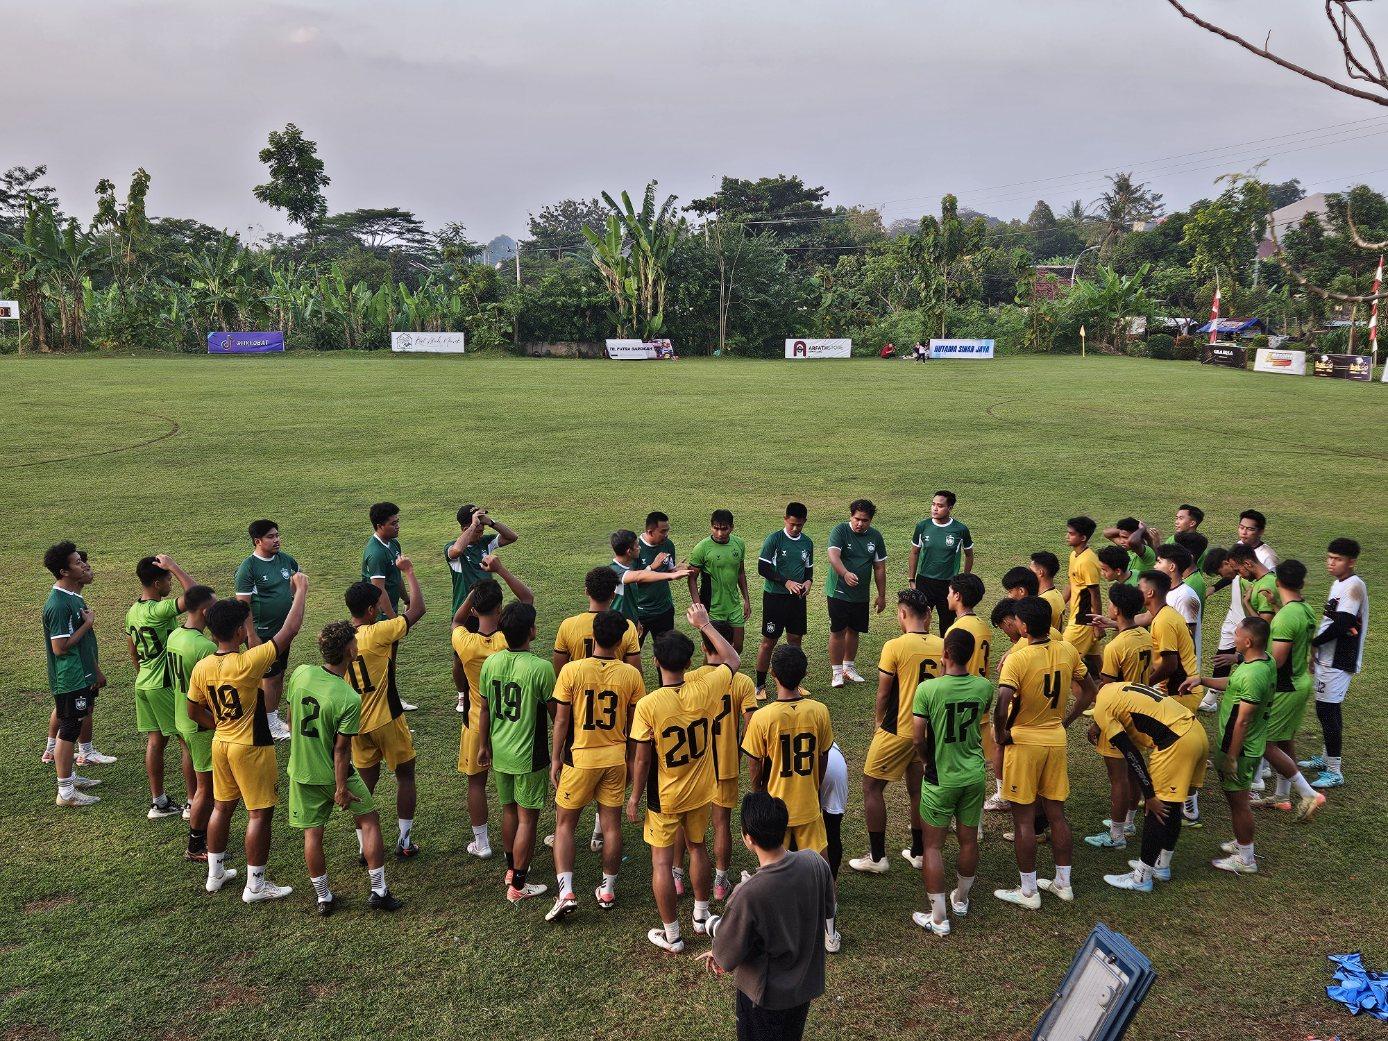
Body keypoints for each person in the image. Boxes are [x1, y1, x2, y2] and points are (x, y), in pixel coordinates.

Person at [187, 574, 307, 902]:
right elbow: (289, 631)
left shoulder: (203, 666)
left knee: (222, 808)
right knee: (259, 813)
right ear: (240, 631)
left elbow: (193, 711)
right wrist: (302, 591)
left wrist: (222, 725)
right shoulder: (248, 662)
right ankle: (255, 884)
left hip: (221, 744)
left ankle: (215, 874)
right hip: (251, 747)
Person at [627, 603, 738, 952]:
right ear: (690, 664)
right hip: (702, 788)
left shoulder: (649, 704)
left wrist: (633, 797)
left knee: (662, 861)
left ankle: (672, 934)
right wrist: (705, 624)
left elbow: (643, 759)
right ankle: (702, 915)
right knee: (697, 848)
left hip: (666, 795)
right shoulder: (705, 689)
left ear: (657, 663)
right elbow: (732, 659)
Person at [286, 621, 402, 915]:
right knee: (369, 820)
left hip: (301, 770)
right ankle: (378, 890)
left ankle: (323, 898)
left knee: (313, 833)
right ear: (350, 650)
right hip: (332, 772)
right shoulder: (348, 697)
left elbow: (290, 716)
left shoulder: (301, 673)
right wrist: (340, 788)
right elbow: (340, 750)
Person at [702, 793, 837, 1041]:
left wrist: (715, 940)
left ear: (748, 838)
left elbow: (726, 955)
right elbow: (829, 909)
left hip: (764, 998)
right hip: (803, 988)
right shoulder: (815, 862)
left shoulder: (748, 893)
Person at [993, 597, 1097, 909]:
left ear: (1023, 626)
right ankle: (1063, 883)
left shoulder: (1018, 658)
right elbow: (1090, 689)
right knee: (1056, 814)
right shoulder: (1067, 649)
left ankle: (1028, 891)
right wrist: (1068, 720)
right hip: (1055, 739)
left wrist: (1000, 734)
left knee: (1023, 819)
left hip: (1024, 742)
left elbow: (1001, 705)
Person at [547, 609, 645, 920]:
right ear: (620, 641)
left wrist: (555, 757)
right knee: (612, 826)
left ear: (593, 638)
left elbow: (562, 719)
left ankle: (566, 892)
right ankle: (607, 889)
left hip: (580, 759)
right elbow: (634, 725)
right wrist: (630, 758)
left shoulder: (572, 671)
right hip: (615, 758)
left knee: (565, 826)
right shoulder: (631, 675)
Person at [850, 589, 943, 874]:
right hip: (927, 733)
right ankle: (917, 852)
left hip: (897, 730)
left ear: (902, 614)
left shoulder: (895, 646)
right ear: (928, 615)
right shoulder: (943, 644)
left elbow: (883, 693)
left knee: (871, 786)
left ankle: (877, 857)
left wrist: (879, 722)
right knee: (917, 791)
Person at [910, 628, 992, 936]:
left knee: (933, 846)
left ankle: (940, 917)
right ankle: (962, 899)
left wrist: (926, 759)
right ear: (970, 655)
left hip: (941, 776)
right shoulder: (984, 686)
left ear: (944, 654)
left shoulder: (928, 689)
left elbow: (918, 736)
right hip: (973, 773)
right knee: (968, 839)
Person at [1090, 680, 1209, 892]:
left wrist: (1149, 794)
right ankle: (1161, 866)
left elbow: (1131, 753)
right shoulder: (1118, 688)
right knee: (1172, 805)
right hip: (1197, 732)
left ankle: (1141, 878)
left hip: (1176, 743)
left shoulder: (1102, 705)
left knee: (1157, 809)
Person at [344, 559, 426, 861]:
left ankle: (363, 845)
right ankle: (404, 841)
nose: (380, 609)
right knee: (405, 776)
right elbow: (417, 610)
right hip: (387, 719)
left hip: (356, 725)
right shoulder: (378, 632)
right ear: (369, 610)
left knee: (364, 785)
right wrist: (409, 572)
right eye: (377, 606)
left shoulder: (341, 637)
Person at [1179, 617, 1274, 874]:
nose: (1233, 637)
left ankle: (1246, 858)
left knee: (1239, 803)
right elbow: (1233, 685)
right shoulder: (1260, 662)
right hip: (1241, 746)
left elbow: (1242, 720)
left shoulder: (1254, 675)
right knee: (1236, 801)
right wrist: (1202, 680)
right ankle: (1243, 843)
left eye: (1237, 634)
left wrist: (1231, 756)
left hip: (1240, 749)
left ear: (1248, 641)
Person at [479, 602, 557, 904]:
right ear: (532, 632)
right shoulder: (540, 668)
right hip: (529, 755)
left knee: (509, 811)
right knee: (528, 819)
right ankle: (519, 884)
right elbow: (555, 715)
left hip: (500, 751)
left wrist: (484, 745)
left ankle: (512, 869)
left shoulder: (491, 663)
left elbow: (484, 708)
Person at [454, 563, 533, 859]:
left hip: (476, 721)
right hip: (512, 724)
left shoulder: (466, 642)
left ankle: (482, 842)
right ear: (501, 608)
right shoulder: (507, 641)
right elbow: (527, 600)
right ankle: (513, 845)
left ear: (475, 610)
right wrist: (501, 571)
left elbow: (456, 621)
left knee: (476, 783)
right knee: (510, 793)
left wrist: (472, 594)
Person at [742, 646, 835, 868]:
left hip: (775, 807)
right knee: (820, 866)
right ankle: (827, 902)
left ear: (772, 673)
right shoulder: (819, 710)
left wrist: (758, 791)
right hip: (808, 802)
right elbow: (823, 756)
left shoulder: (762, 717)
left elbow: (754, 762)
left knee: (772, 867)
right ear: (804, 674)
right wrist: (816, 785)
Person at [688, 620, 759, 902]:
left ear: (704, 646)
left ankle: (679, 877)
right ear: (731, 644)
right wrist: (740, 750)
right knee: (721, 824)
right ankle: (719, 881)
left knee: (690, 824)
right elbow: (751, 723)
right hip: (726, 764)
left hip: (694, 764)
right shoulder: (742, 681)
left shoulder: (692, 678)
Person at [125, 554, 198, 819]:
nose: (171, 583)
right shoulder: (159, 610)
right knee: (186, 741)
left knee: (156, 740)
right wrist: (175, 566)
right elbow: (196, 595)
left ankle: (159, 802)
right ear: (157, 583)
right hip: (163, 685)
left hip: (143, 683)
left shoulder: (132, 611)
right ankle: (192, 803)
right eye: (167, 579)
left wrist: (144, 674)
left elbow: (133, 652)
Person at [1083, 582, 1152, 849]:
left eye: (1111, 604)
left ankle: (1116, 835)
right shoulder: (1144, 636)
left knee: (1119, 777)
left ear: (1117, 608)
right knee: (1135, 770)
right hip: (1142, 711)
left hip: (1119, 717)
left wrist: (1097, 724)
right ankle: (1130, 821)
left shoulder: (1115, 648)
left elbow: (1107, 688)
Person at [42, 542, 109, 807]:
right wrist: (88, 624)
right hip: (69, 677)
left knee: (75, 724)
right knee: (69, 729)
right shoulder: (58, 604)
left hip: (80, 674)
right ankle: (65, 792)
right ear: (64, 571)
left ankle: (70, 776)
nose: (82, 564)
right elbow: (59, 648)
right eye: (76, 562)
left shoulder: (72, 598)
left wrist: (95, 670)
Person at [1259, 560, 1325, 819]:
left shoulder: (1287, 617)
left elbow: (1277, 659)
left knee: (1264, 742)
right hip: (1300, 683)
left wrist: (1248, 664)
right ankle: (1282, 796)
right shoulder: (1304, 608)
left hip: (1285, 687)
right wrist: (1276, 608)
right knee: (1285, 740)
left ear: (1277, 583)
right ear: (1303, 583)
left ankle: (1307, 792)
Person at [1301, 538, 1368, 789]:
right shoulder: (1340, 583)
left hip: (1339, 659)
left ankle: (1334, 770)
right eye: (1329, 557)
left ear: (1351, 562)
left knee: (1328, 711)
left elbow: (1343, 625)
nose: (1331, 563)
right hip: (1330, 658)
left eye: (1337, 559)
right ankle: (1327, 758)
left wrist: (1314, 642)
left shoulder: (1353, 586)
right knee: (1326, 709)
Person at [447, 505, 519, 714]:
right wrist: (474, 526)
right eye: (477, 528)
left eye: (481, 529)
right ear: (464, 527)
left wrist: (491, 523)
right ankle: (462, 695)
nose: (481, 533)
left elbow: (512, 537)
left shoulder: (485, 544)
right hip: (464, 611)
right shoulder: (452, 547)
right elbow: (457, 551)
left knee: (497, 648)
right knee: (459, 658)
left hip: (488, 609)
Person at [234, 519, 300, 741]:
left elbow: (296, 584)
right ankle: (269, 724)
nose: (277, 540)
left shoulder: (286, 560)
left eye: (277, 535)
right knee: (270, 678)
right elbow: (243, 605)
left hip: (283, 632)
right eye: (271, 537)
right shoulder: (248, 568)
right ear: (257, 541)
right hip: (262, 634)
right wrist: (252, 635)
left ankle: (271, 717)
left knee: (278, 675)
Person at [167, 585, 219, 860]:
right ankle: (197, 845)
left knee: (195, 773)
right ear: (205, 611)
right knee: (206, 788)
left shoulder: (175, 634)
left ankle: (194, 819)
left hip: (179, 717)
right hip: (200, 723)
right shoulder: (205, 647)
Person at [825, 499, 888, 688]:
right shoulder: (840, 531)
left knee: (854, 630)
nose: (860, 523)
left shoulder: (875, 537)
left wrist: (882, 594)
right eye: (856, 519)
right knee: (838, 631)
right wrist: (844, 574)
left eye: (865, 520)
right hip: (838, 591)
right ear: (850, 516)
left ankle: (848, 667)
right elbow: (833, 556)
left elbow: (879, 568)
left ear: (871, 520)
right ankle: (837, 672)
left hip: (860, 595)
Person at [1213, 510, 1278, 679]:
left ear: (1261, 531)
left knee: (1249, 652)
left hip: (1251, 617)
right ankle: (1212, 697)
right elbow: (1233, 573)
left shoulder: (1267, 557)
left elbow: (1268, 588)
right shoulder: (1239, 547)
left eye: (1249, 529)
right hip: (1235, 610)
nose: (1244, 532)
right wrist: (1214, 588)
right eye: (1241, 527)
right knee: (1223, 652)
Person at [756, 504, 814, 695]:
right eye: (792, 524)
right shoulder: (775, 539)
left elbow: (808, 571)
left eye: (799, 525)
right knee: (769, 641)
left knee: (795, 640)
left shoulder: (807, 543)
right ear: (785, 519)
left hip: (797, 598)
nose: (795, 528)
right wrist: (786, 582)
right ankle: (760, 685)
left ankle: (793, 684)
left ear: (805, 522)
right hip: (775, 597)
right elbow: (763, 568)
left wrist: (808, 582)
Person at [909, 491, 975, 635]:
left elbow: (969, 555)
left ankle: (944, 653)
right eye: (933, 504)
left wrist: (964, 578)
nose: (935, 508)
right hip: (924, 581)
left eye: (940, 505)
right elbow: (914, 552)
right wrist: (911, 579)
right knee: (920, 621)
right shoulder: (922, 526)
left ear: (950, 508)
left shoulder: (960, 530)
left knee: (946, 623)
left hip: (948, 584)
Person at [687, 509, 752, 654]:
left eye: (724, 529)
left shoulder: (739, 544)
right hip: (713, 608)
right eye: (716, 528)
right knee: (713, 652)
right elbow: (692, 578)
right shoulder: (702, 548)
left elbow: (740, 573)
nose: (720, 533)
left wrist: (746, 600)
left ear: (732, 527)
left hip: (734, 606)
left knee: (737, 648)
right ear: (711, 527)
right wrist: (698, 606)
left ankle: (727, 676)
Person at [554, 567, 642, 673]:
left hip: (580, 686)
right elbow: (635, 670)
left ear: (586, 591)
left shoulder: (568, 625)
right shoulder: (626, 626)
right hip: (617, 687)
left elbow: (560, 670)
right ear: (613, 595)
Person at [609, 529, 692, 632]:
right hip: (618, 626)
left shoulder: (626, 568)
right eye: (636, 545)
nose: (639, 547)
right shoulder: (616, 571)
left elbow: (630, 601)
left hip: (630, 623)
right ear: (629, 552)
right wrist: (672, 575)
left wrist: (636, 620)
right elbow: (640, 576)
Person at [1061, 516, 1104, 678]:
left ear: (1083, 538)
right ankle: (1107, 694)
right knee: (1098, 667)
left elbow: (1095, 594)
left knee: (1062, 661)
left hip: (1082, 622)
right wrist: (1059, 604)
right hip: (1077, 619)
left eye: (1071, 534)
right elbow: (1072, 584)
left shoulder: (1087, 561)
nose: (1067, 536)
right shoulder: (1074, 555)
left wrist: (1097, 623)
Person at [633, 511, 680, 644]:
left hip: (664, 610)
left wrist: (677, 571)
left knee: (666, 654)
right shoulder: (635, 548)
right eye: (663, 531)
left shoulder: (668, 545)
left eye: (667, 530)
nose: (666, 535)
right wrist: (652, 566)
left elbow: (668, 574)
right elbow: (631, 581)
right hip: (640, 613)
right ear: (650, 531)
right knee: (631, 653)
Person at [361, 501, 405, 619]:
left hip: (391, 608)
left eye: (397, 522)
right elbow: (379, 590)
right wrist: (393, 620)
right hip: (380, 614)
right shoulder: (376, 554)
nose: (397, 526)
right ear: (380, 526)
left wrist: (407, 600)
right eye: (393, 524)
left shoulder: (393, 543)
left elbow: (396, 575)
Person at [945, 573, 991, 678]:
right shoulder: (984, 626)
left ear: (957, 596)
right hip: (981, 687)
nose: (947, 596)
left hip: (963, 689)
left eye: (949, 592)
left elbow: (949, 668)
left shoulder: (956, 630)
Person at [1028, 552, 1067, 633]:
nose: (1028, 574)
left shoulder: (1042, 601)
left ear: (1040, 572)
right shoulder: (1057, 594)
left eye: (1031, 571)